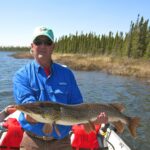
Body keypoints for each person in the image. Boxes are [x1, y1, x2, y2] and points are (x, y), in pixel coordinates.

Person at [13, 26, 108, 150]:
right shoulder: (21, 75)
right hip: (32, 140)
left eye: (47, 42)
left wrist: (94, 120)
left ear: (52, 47)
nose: (42, 46)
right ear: (32, 46)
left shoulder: (66, 74)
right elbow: (28, 104)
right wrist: (30, 116)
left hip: (61, 142)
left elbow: (78, 107)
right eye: (38, 42)